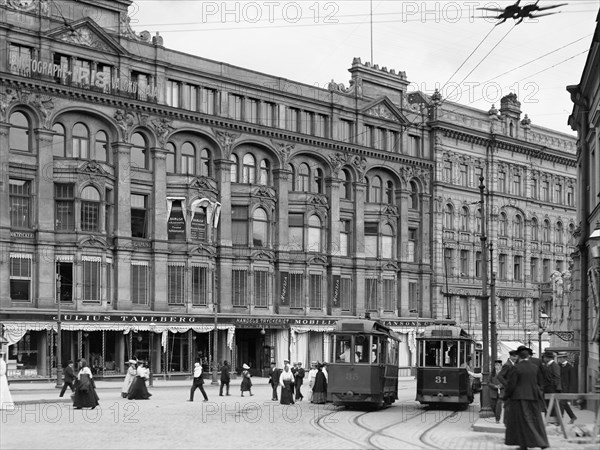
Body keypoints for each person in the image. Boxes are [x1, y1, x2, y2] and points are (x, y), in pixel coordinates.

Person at [504, 347, 549, 450]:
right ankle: (540, 442)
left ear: (519, 357)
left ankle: (526, 444)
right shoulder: (535, 367)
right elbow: (539, 382)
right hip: (533, 397)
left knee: (522, 422)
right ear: (528, 356)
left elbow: (512, 384)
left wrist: (506, 396)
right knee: (535, 420)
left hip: (519, 398)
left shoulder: (516, 368)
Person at [497, 350, 519, 425]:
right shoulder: (507, 365)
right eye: (515, 356)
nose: (516, 358)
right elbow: (499, 376)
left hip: (511, 388)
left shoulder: (513, 364)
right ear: (511, 356)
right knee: (507, 405)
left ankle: (508, 421)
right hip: (508, 388)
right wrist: (506, 384)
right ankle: (506, 421)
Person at [557, 352, 577, 424]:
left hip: (566, 389)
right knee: (564, 403)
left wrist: (570, 392)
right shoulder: (559, 366)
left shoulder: (570, 367)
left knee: (561, 403)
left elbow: (572, 380)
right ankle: (572, 417)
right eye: (559, 358)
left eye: (561, 358)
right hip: (560, 389)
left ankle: (559, 420)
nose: (560, 359)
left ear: (565, 358)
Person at [542, 350, 562, 421]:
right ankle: (548, 419)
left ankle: (553, 420)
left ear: (548, 358)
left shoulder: (554, 366)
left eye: (544, 357)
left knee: (552, 405)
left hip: (552, 389)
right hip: (547, 388)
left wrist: (552, 385)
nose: (543, 359)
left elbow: (557, 377)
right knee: (547, 405)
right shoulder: (547, 365)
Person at [488, 360, 504, 424]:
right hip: (493, 392)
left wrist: (501, 386)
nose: (496, 366)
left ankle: (497, 419)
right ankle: (496, 414)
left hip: (501, 392)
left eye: (498, 365)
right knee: (493, 406)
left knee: (498, 405)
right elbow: (488, 382)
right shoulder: (492, 374)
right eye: (495, 365)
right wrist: (494, 386)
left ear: (501, 366)